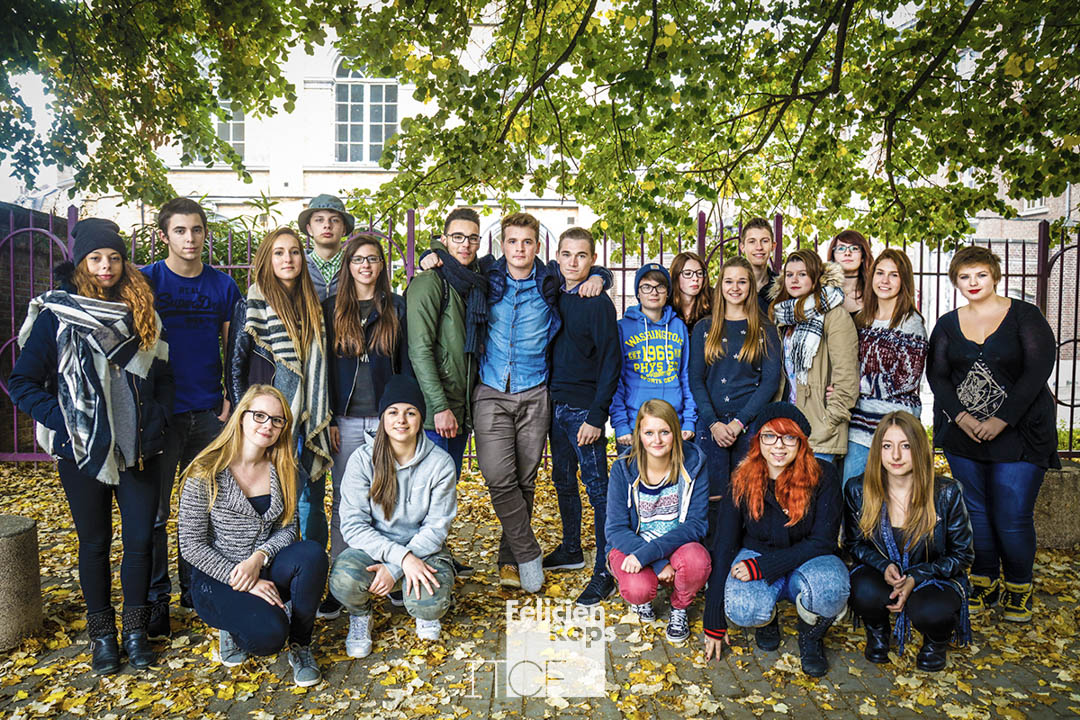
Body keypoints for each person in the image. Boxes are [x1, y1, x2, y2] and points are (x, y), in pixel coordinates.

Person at [10, 218, 173, 674]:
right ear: (81, 262)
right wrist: (67, 423)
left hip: (138, 449)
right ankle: (103, 635)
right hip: (83, 451)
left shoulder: (141, 311)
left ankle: (135, 632)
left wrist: (159, 416)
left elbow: (163, 373)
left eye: (114, 257)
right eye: (96, 258)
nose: (106, 266)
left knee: (140, 541)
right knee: (95, 543)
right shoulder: (57, 315)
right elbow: (22, 382)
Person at [415, 215, 610, 592]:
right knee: (498, 477)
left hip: (535, 391)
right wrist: (430, 253)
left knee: (524, 480)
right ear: (501, 245)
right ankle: (528, 552)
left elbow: (582, 268)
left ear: (538, 246)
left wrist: (601, 276)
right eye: (512, 241)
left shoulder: (550, 281)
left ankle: (509, 560)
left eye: (527, 242)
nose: (520, 248)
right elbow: (452, 265)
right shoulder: (486, 276)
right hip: (491, 390)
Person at [926, 246, 1060, 623]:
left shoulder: (1025, 316)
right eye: (964, 277)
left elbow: (1038, 370)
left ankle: (1019, 585)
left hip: (1020, 434)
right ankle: (983, 580)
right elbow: (937, 375)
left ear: (995, 276)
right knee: (975, 513)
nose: (973, 283)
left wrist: (1002, 419)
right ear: (956, 281)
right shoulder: (947, 324)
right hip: (964, 435)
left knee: (1012, 514)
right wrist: (961, 417)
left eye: (980, 275)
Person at [178, 385, 328, 686]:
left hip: (264, 566)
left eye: (277, 420)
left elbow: (288, 529)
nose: (267, 425)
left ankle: (300, 645)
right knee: (268, 637)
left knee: (311, 554)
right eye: (259, 415)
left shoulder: (282, 467)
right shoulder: (206, 470)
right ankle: (231, 626)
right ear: (241, 416)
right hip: (218, 577)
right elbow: (191, 545)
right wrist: (244, 578)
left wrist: (259, 558)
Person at [141, 197, 242, 636]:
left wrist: (231, 399)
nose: (190, 238)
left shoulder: (222, 286)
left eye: (197, 229)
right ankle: (157, 599)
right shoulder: (146, 280)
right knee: (156, 513)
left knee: (205, 511)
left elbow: (234, 347)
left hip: (209, 412)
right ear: (164, 236)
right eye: (180, 230)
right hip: (160, 415)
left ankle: (197, 590)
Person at [329, 376, 457, 657]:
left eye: (410, 412)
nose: (401, 420)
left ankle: (423, 611)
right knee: (343, 580)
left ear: (420, 418)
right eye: (393, 412)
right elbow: (352, 526)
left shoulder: (440, 464)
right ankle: (360, 615)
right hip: (373, 549)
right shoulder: (362, 460)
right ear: (382, 418)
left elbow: (436, 528)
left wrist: (396, 567)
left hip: (424, 551)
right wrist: (400, 559)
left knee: (430, 603)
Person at [322, 232, 411, 618]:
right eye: (358, 259)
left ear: (381, 265)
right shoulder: (331, 308)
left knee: (390, 497)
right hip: (343, 420)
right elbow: (323, 369)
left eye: (373, 259)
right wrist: (327, 417)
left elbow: (405, 366)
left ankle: (392, 575)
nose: (365, 266)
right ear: (348, 265)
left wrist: (404, 416)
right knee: (347, 500)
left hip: (384, 418)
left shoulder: (396, 306)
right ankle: (342, 579)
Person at [844, 411, 974, 672]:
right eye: (887, 446)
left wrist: (916, 576)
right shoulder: (859, 489)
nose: (895, 456)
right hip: (881, 574)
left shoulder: (946, 492)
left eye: (905, 446)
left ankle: (935, 642)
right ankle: (877, 631)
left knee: (930, 610)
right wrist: (883, 565)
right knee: (863, 590)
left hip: (932, 575)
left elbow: (962, 555)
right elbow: (853, 544)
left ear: (919, 449)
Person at [228, 228, 332, 547]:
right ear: (266, 259)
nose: (288, 259)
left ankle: (311, 565)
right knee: (273, 502)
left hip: (307, 418)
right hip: (267, 422)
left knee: (311, 499)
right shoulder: (251, 304)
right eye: (279, 252)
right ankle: (273, 565)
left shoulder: (314, 308)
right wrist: (244, 418)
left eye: (294, 252)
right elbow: (235, 365)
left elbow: (323, 370)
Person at [547, 227, 622, 606]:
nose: (573, 262)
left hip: (583, 411)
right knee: (563, 479)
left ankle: (605, 571)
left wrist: (597, 416)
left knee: (598, 489)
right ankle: (571, 548)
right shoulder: (552, 290)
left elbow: (611, 361)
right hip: (552, 404)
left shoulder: (598, 303)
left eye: (581, 256)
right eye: (566, 254)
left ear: (593, 259)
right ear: (557, 256)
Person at [688, 257, 782, 541]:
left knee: (749, 494)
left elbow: (770, 382)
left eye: (742, 281)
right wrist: (713, 423)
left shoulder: (764, 329)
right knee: (712, 497)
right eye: (729, 281)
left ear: (751, 286)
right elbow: (696, 379)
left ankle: (745, 554)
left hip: (748, 425)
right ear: (720, 286)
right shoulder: (704, 328)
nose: (735, 287)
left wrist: (739, 423)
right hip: (711, 424)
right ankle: (712, 557)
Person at [605, 399, 710, 644]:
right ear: (639, 435)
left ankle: (679, 606)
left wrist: (652, 556)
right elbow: (615, 529)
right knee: (638, 589)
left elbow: (697, 524)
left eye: (665, 432)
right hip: (633, 546)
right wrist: (658, 562)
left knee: (698, 561)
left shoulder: (694, 464)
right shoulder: (623, 469)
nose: (657, 440)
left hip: (677, 544)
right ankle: (643, 599)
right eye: (649, 433)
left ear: (676, 433)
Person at [843, 249, 927, 484]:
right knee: (852, 491)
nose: (885, 280)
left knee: (894, 496)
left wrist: (857, 385)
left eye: (894, 275)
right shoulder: (861, 319)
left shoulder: (910, 323)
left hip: (896, 428)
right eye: (880, 273)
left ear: (904, 281)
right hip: (860, 426)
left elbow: (907, 378)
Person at [769, 249, 858, 462]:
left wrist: (830, 420)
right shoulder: (783, 317)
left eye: (802, 274)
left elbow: (846, 374)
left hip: (819, 427)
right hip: (787, 424)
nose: (794, 280)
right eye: (789, 275)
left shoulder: (834, 315)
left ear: (815, 277)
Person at [610, 263, 696, 457]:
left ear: (667, 292)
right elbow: (616, 380)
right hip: (635, 424)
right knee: (633, 476)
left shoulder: (678, 327)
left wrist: (689, 420)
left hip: (673, 423)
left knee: (674, 477)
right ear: (638, 293)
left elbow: (686, 376)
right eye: (646, 287)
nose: (654, 292)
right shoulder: (622, 328)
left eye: (660, 287)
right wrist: (621, 424)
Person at [299, 194, 355, 301]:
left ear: (344, 229)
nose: (327, 225)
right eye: (319, 220)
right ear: (309, 229)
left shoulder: (356, 266)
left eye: (334, 220)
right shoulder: (298, 266)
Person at [826, 230, 872, 315]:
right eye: (841, 248)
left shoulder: (874, 291)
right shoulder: (822, 291)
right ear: (833, 256)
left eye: (854, 248)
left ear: (863, 256)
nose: (847, 253)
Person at [738, 217, 778, 313]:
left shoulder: (782, 287)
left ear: (773, 246)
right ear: (742, 247)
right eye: (752, 241)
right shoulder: (731, 286)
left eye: (764, 241)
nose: (759, 247)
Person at [670, 251, 712, 329]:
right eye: (688, 273)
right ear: (676, 276)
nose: (695, 278)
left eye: (699, 273)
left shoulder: (713, 301)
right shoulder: (666, 304)